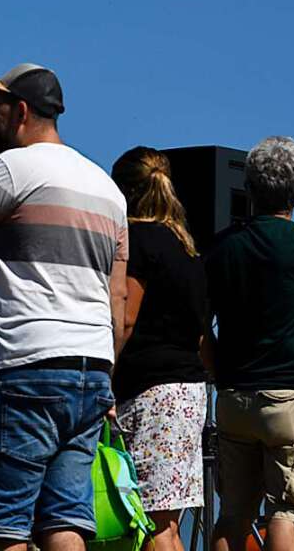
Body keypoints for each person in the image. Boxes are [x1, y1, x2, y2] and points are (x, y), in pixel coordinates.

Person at [0, 63, 128, 551]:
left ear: (20, 111)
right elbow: (117, 301)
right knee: (65, 520)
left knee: (3, 525)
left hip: (23, 366)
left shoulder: (11, 169)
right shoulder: (107, 189)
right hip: (91, 368)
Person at [207, 137, 294, 551]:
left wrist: (218, 373)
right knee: (288, 514)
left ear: (250, 189)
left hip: (234, 397)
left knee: (233, 515)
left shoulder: (221, 248)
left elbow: (200, 329)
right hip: (291, 401)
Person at [110, 147, 208, 551]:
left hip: (150, 394)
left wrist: (104, 372)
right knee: (168, 523)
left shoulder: (138, 243)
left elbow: (126, 318)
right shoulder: (187, 248)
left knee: (149, 523)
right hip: (186, 394)